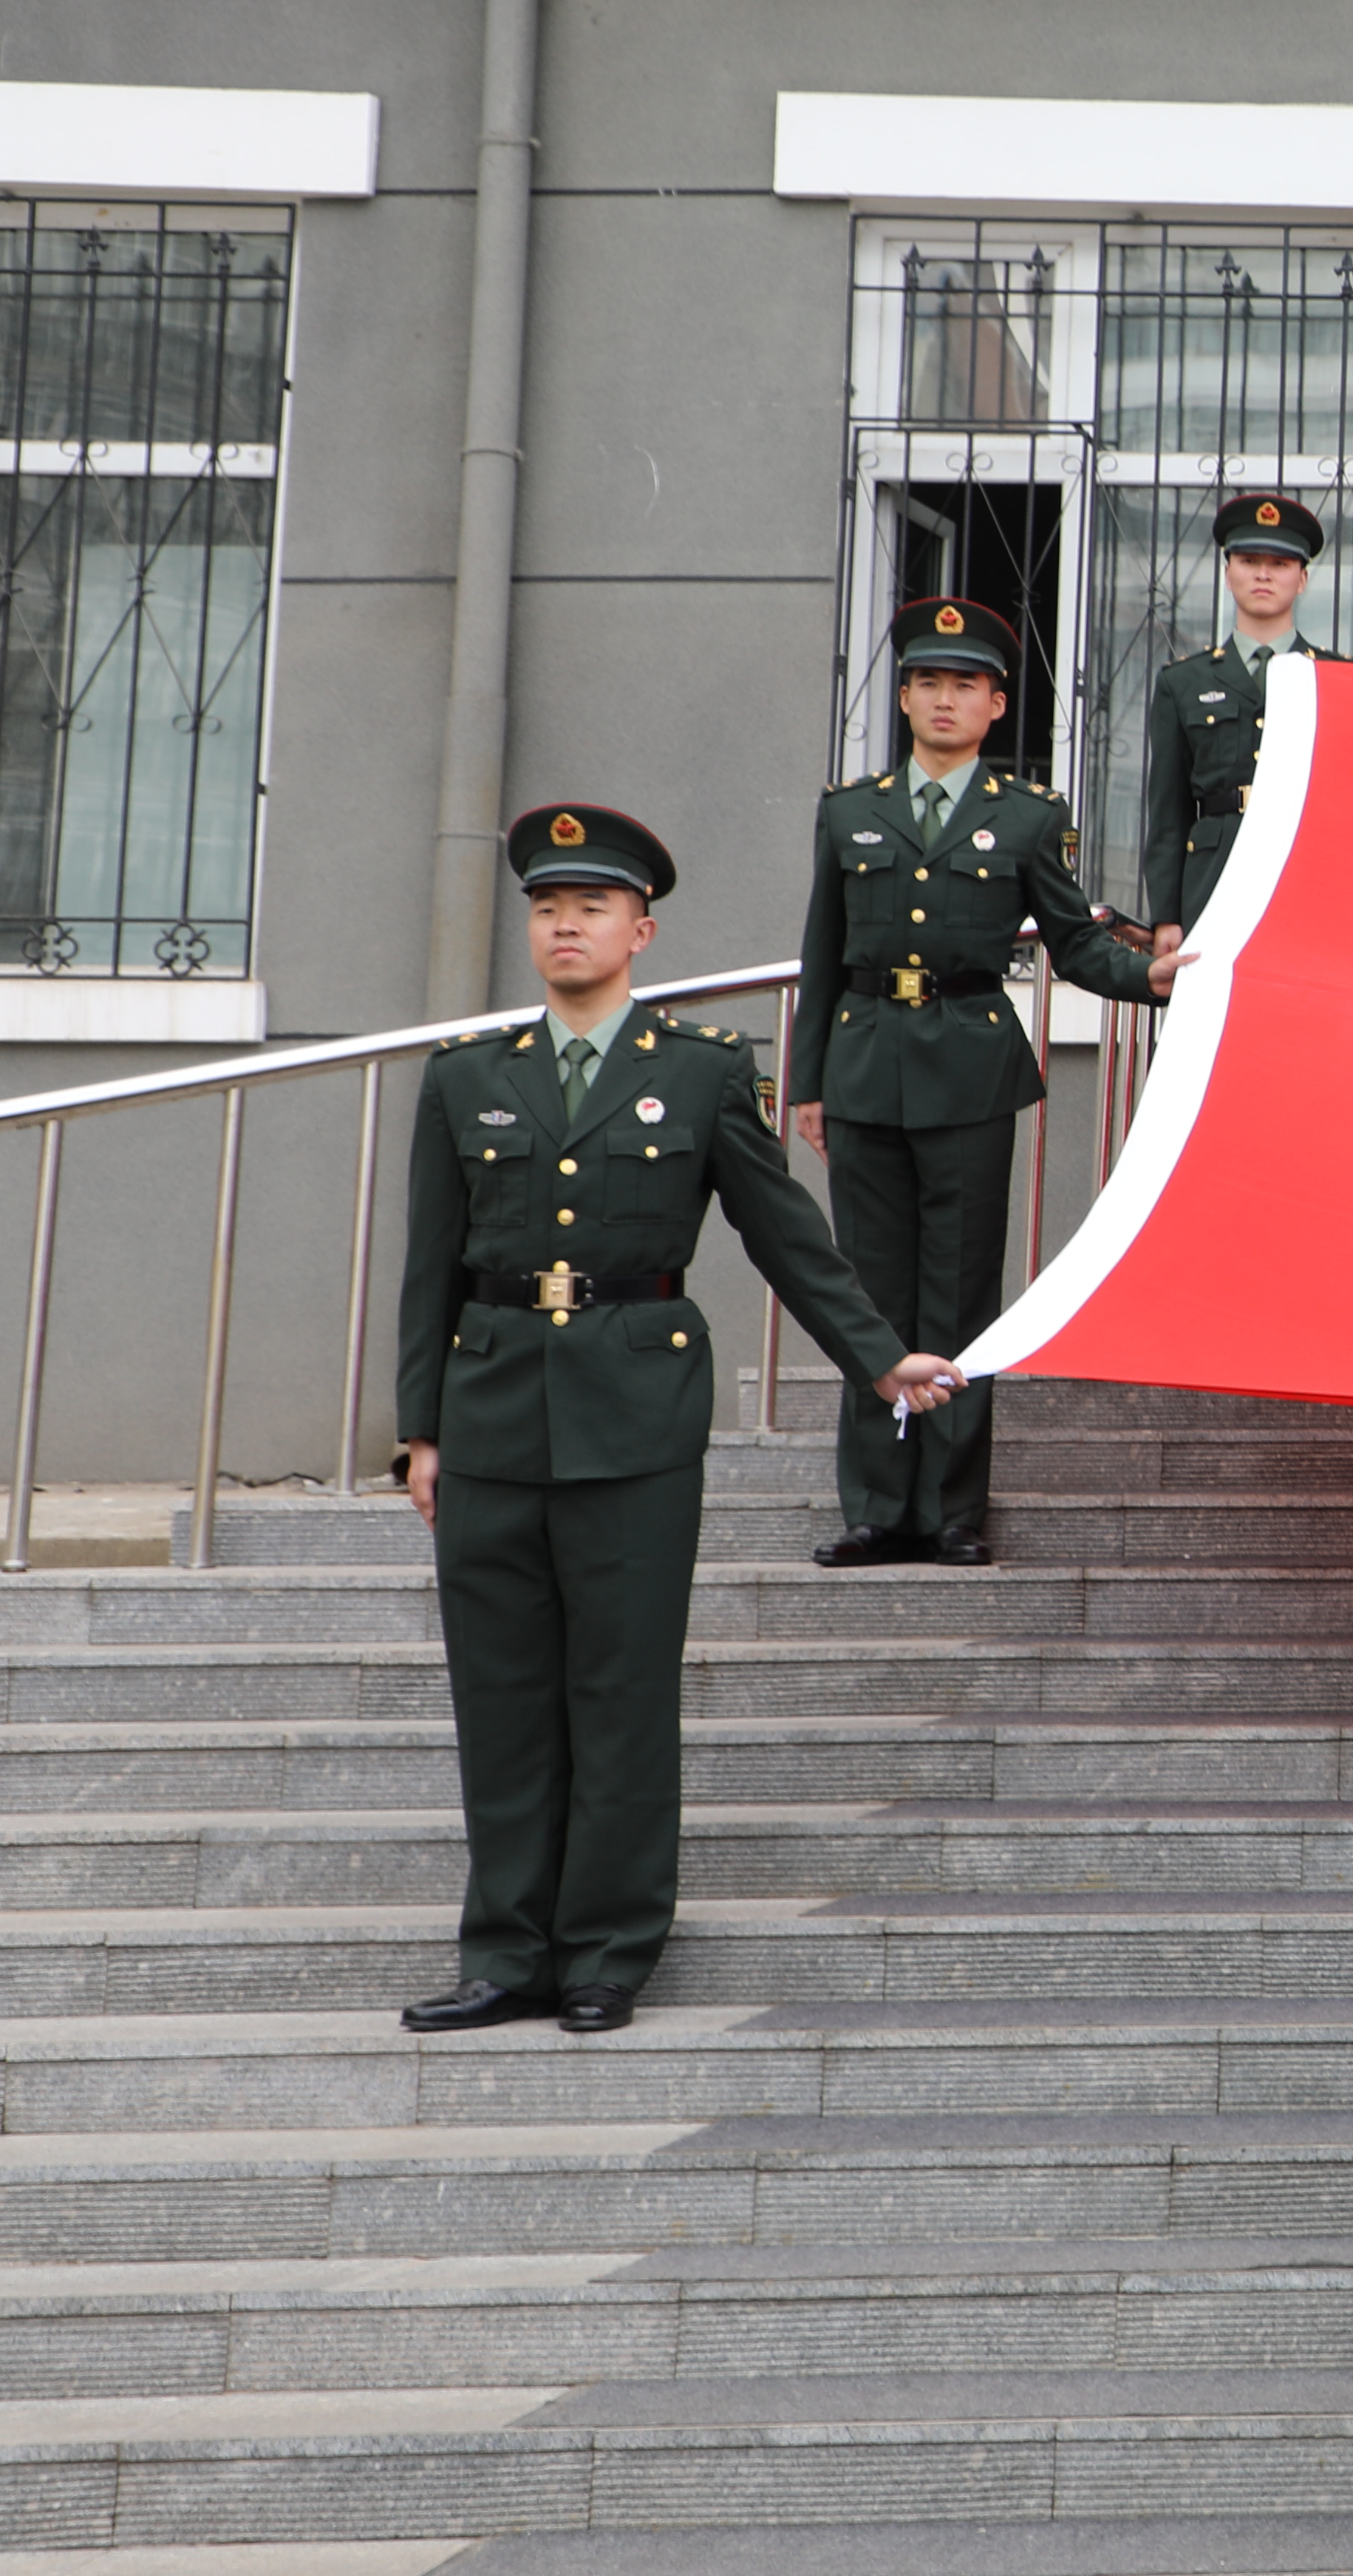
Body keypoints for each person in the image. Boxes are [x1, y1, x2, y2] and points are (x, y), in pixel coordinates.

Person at [393, 804, 960, 2037]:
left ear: (640, 931)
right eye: (547, 909)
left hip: (636, 1420)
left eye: (590, 909)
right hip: (490, 1418)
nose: (564, 927)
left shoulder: (700, 1072)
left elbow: (786, 1235)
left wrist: (877, 1360)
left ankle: (606, 1949)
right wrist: (420, 1431)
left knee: (620, 1692)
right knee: (500, 1696)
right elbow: (427, 1267)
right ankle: (506, 1949)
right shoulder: (465, 1076)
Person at [788, 595, 1175, 1571]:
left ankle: (954, 1509)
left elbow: (1077, 945)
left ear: (998, 707)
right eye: (927, 684)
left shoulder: (1029, 817)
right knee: (873, 1296)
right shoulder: (851, 810)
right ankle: (878, 1505)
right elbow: (822, 959)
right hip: (867, 1064)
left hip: (970, 1066)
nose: (944, 701)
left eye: (965, 686)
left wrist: (1155, 979)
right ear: (906, 698)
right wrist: (807, 1085)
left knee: (961, 1298)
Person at [1139, 489, 1339, 932]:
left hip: (1306, 870)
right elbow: (1169, 812)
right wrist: (1166, 918)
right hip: (1214, 877)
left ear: (1302, 579)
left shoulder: (1340, 679)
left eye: (1281, 565)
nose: (1263, 576)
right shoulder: (1183, 683)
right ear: (1228, 574)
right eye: (1249, 562)